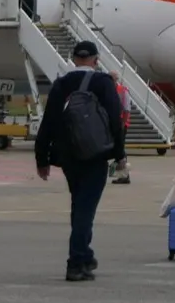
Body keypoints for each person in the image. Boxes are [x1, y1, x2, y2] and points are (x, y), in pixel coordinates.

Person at [34, 40, 126, 281]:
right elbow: (115, 121)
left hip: (68, 157)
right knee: (86, 209)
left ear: (73, 59)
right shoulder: (103, 82)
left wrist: (41, 158)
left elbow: (49, 123)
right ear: (95, 60)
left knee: (79, 204)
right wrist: (120, 155)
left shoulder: (61, 84)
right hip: (96, 155)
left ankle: (85, 256)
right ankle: (76, 261)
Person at [110, 71, 132, 184]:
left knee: (120, 149)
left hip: (121, 124)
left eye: (111, 79)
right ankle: (120, 172)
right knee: (116, 149)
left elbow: (127, 109)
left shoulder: (123, 91)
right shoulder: (108, 91)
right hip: (112, 124)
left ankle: (124, 175)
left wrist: (122, 125)